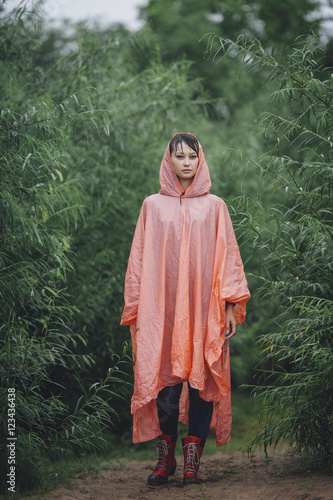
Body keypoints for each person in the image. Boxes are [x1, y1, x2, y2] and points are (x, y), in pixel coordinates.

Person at [120, 133, 250, 486]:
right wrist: (136, 308)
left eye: (192, 156)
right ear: (169, 161)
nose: (186, 162)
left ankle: (192, 462)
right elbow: (139, 261)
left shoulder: (215, 207)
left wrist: (227, 307)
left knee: (202, 382)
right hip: (160, 310)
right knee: (164, 383)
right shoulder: (152, 206)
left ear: (200, 159)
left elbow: (228, 259)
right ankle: (166, 461)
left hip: (203, 309)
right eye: (179, 156)